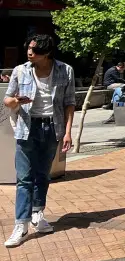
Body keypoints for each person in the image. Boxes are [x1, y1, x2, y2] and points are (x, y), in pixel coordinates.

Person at [4, 35, 76, 248]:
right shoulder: (20, 70)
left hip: (52, 128)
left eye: (34, 50)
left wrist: (68, 132)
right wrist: (17, 100)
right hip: (27, 127)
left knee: (43, 175)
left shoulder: (65, 71)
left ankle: (37, 213)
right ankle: (21, 224)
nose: (29, 53)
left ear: (46, 53)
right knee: (24, 178)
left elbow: (69, 103)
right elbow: (7, 99)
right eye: (28, 48)